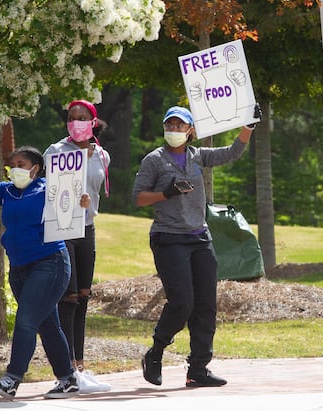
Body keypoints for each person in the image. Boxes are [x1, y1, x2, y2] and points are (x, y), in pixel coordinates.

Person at [0, 128, 90, 400]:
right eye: (12, 165)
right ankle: (68, 379)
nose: (14, 169)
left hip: (50, 264)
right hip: (20, 269)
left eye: (21, 165)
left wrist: (81, 202)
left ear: (35, 168)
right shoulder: (6, 192)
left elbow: (72, 203)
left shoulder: (49, 188)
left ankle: (12, 379)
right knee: (48, 325)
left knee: (26, 320)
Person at [132, 104, 261, 387]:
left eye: (180, 126)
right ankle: (155, 353)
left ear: (190, 131)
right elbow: (138, 197)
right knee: (182, 303)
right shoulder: (154, 160)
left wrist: (247, 126)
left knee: (205, 305)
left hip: (199, 237)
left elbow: (232, 152)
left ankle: (198, 369)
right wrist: (166, 193)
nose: (174, 130)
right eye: (170, 125)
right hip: (168, 238)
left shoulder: (196, 156)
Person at [43, 100, 110, 375]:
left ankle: (79, 362)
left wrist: (86, 203)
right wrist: (69, 200)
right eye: (72, 118)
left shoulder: (102, 155)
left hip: (87, 228)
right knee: (68, 297)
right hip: (63, 228)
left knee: (83, 295)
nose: (76, 123)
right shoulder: (56, 151)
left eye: (82, 118)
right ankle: (67, 363)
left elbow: (96, 193)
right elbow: (46, 189)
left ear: (93, 122)